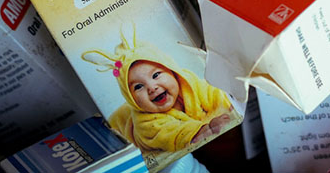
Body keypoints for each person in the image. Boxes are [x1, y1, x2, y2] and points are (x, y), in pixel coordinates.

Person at [83, 32, 235, 153]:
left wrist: (229, 105)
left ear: (172, 71)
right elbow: (170, 133)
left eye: (156, 75)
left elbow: (213, 93)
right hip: (117, 124)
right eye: (138, 87)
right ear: (131, 98)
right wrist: (200, 130)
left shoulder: (188, 82)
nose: (151, 87)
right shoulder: (144, 122)